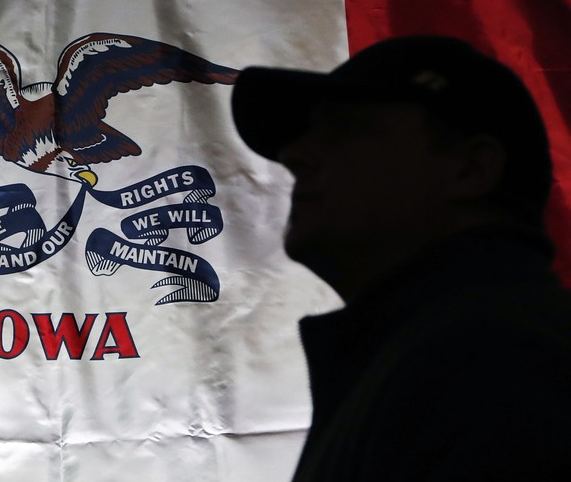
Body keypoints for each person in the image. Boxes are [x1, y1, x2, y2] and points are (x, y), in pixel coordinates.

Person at [231, 36, 571, 481]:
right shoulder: (452, 350)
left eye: (346, 128)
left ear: (469, 170)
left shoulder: (494, 360)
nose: (295, 156)